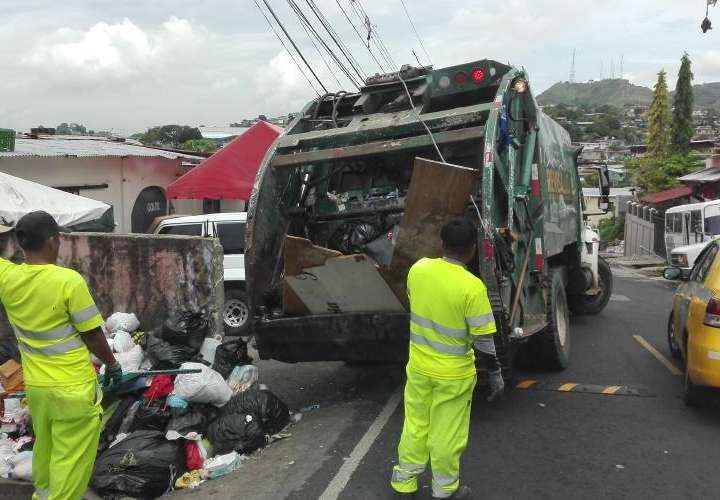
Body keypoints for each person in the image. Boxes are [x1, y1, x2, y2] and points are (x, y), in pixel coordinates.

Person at [0, 211, 122, 500]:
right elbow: (92, 335)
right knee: (71, 463)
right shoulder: (69, 281)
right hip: (73, 390)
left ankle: (41, 496)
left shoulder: (8, 278)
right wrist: (113, 365)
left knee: (47, 450)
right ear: (54, 241)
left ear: (20, 243)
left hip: (39, 391)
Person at [390, 218, 504, 499]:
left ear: (442, 244)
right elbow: (484, 340)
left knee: (415, 424)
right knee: (446, 433)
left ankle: (404, 482)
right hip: (453, 376)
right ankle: (445, 490)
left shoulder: (419, 270)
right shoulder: (472, 287)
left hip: (418, 367)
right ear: (472, 250)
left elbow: (414, 302)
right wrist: (495, 374)